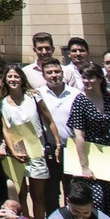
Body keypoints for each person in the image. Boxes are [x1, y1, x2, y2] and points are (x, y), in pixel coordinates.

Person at [0, 63, 58, 219]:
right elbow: (5, 130)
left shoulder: (34, 97)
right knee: (21, 196)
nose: (13, 79)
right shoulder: (2, 102)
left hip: (36, 150)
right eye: (9, 77)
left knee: (38, 196)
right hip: (17, 153)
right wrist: (13, 151)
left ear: (22, 79)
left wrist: (57, 142)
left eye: (16, 76)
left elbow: (49, 119)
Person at [66, 62, 110, 219]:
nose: (86, 81)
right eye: (84, 77)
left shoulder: (109, 98)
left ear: (100, 79)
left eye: (90, 77)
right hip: (88, 154)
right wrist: (84, 166)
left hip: (108, 153)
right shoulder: (80, 101)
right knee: (96, 199)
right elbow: (79, 136)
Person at [36, 59, 80, 210]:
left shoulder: (76, 94)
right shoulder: (37, 94)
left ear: (62, 73)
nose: (54, 75)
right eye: (49, 72)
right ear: (43, 75)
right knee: (51, 192)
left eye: (57, 72)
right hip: (50, 149)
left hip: (72, 149)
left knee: (72, 189)